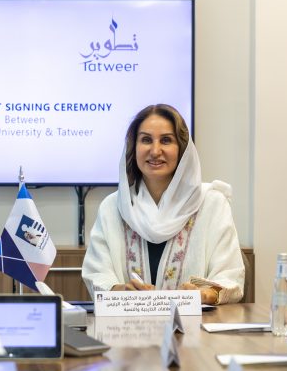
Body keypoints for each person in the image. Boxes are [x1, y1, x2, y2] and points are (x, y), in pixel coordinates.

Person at [82, 104, 245, 305]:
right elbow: (97, 274)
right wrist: (120, 291)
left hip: (196, 323)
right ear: (133, 147)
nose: (155, 151)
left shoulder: (212, 204)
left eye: (166, 140)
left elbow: (230, 277)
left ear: (182, 149)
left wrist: (204, 294)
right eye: (146, 140)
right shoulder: (112, 207)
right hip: (128, 323)